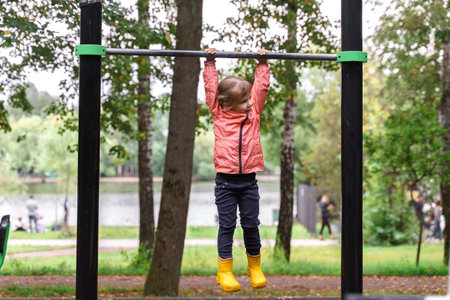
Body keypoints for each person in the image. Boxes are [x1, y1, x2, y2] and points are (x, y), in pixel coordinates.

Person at [203, 48, 269, 292]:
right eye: (244, 101)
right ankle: (225, 271)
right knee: (227, 226)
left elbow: (261, 88)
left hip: (249, 182)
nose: (250, 103)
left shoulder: (254, 114)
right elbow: (211, 89)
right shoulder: (218, 114)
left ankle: (254, 267)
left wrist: (262, 64)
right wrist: (210, 63)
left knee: (251, 224)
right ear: (227, 104)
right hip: (225, 184)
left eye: (249, 99)